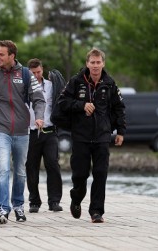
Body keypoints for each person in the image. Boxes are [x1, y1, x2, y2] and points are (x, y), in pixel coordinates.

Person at [0, 40, 45, 224]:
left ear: (11, 56)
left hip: (22, 131)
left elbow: (39, 99)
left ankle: (18, 206)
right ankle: (3, 208)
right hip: (1, 129)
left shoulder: (25, 74)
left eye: (1, 54)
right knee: (3, 169)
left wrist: (39, 117)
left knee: (19, 172)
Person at [58, 48, 126, 223]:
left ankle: (96, 211)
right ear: (87, 63)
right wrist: (81, 105)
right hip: (81, 136)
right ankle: (76, 198)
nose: (95, 66)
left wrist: (121, 131)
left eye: (98, 62)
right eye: (92, 62)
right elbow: (62, 102)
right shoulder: (76, 81)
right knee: (80, 175)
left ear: (103, 63)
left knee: (101, 173)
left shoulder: (110, 83)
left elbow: (119, 108)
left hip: (102, 136)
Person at [25, 58, 63, 213]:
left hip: (49, 131)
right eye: (33, 73)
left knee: (53, 165)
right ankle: (34, 201)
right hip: (31, 132)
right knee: (31, 167)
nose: (36, 75)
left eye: (38, 72)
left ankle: (54, 201)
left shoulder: (51, 86)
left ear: (42, 70)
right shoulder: (24, 87)